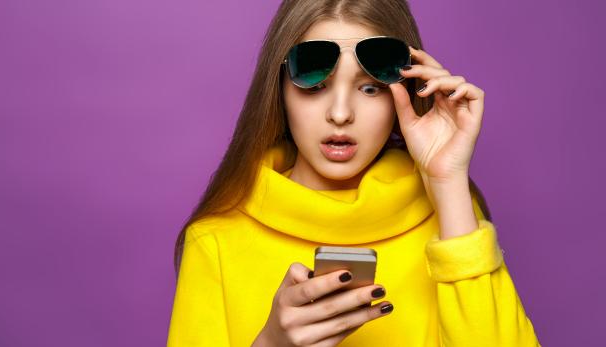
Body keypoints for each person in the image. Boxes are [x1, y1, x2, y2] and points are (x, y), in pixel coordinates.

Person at [166, 0, 541, 346]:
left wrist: (448, 182)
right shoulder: (216, 241)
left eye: (370, 87)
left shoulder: (452, 219)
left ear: (408, 92)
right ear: (279, 91)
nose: (341, 113)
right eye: (315, 84)